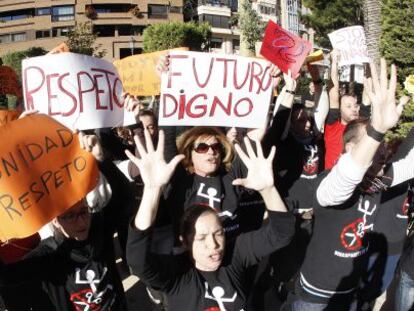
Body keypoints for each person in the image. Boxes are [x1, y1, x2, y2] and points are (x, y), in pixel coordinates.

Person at [285, 59, 410, 310]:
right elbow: (349, 175)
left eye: (381, 145)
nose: (382, 149)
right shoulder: (329, 183)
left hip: (349, 292)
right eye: (374, 144)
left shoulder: (378, 179)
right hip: (315, 297)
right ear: (352, 148)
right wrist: (377, 129)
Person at [126, 129, 295, 311]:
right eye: (201, 237)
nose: (214, 245)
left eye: (218, 233)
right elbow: (138, 261)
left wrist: (268, 190)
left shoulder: (234, 256)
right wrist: (151, 190)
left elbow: (282, 233)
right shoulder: (177, 276)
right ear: (185, 241)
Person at [0, 130, 133, 311]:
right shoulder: (48, 256)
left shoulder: (98, 228)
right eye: (69, 216)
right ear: (55, 220)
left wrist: (101, 160)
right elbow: (6, 276)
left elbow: (124, 199)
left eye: (83, 212)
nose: (81, 222)